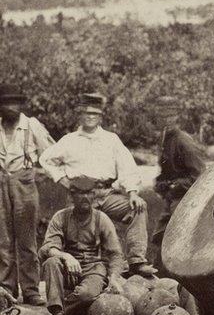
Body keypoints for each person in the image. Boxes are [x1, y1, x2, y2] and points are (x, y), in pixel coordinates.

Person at [39, 93, 156, 277]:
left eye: (94, 113)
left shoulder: (111, 139)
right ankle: (76, 269)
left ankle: (136, 261)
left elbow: (127, 166)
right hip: (80, 196)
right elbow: (45, 159)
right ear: (79, 115)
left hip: (105, 193)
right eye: (86, 113)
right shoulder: (69, 140)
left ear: (101, 116)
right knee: (74, 229)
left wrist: (133, 193)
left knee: (138, 209)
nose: (90, 117)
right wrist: (63, 180)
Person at [40, 176, 126, 315]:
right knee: (52, 262)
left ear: (94, 195)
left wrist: (114, 277)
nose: (85, 197)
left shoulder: (102, 219)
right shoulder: (61, 217)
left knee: (87, 294)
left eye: (89, 193)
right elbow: (47, 248)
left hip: (93, 268)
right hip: (68, 268)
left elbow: (115, 254)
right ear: (71, 196)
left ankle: (62, 313)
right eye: (80, 193)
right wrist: (65, 256)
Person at [0, 84, 54, 306]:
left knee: (27, 238)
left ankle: (31, 289)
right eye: (6, 104)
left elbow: (52, 154)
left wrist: (49, 174)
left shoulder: (31, 126)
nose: (11, 108)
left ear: (21, 105)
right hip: (1, 184)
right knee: (3, 239)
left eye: (15, 103)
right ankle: (6, 288)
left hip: (24, 185)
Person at [152, 95, 208, 270]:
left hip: (186, 198)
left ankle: (184, 274)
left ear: (177, 116)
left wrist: (176, 185)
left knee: (179, 238)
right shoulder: (164, 138)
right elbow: (167, 169)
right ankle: (162, 277)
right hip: (172, 196)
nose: (166, 120)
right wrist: (161, 183)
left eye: (170, 116)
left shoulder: (183, 141)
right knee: (160, 237)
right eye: (162, 116)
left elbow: (200, 176)